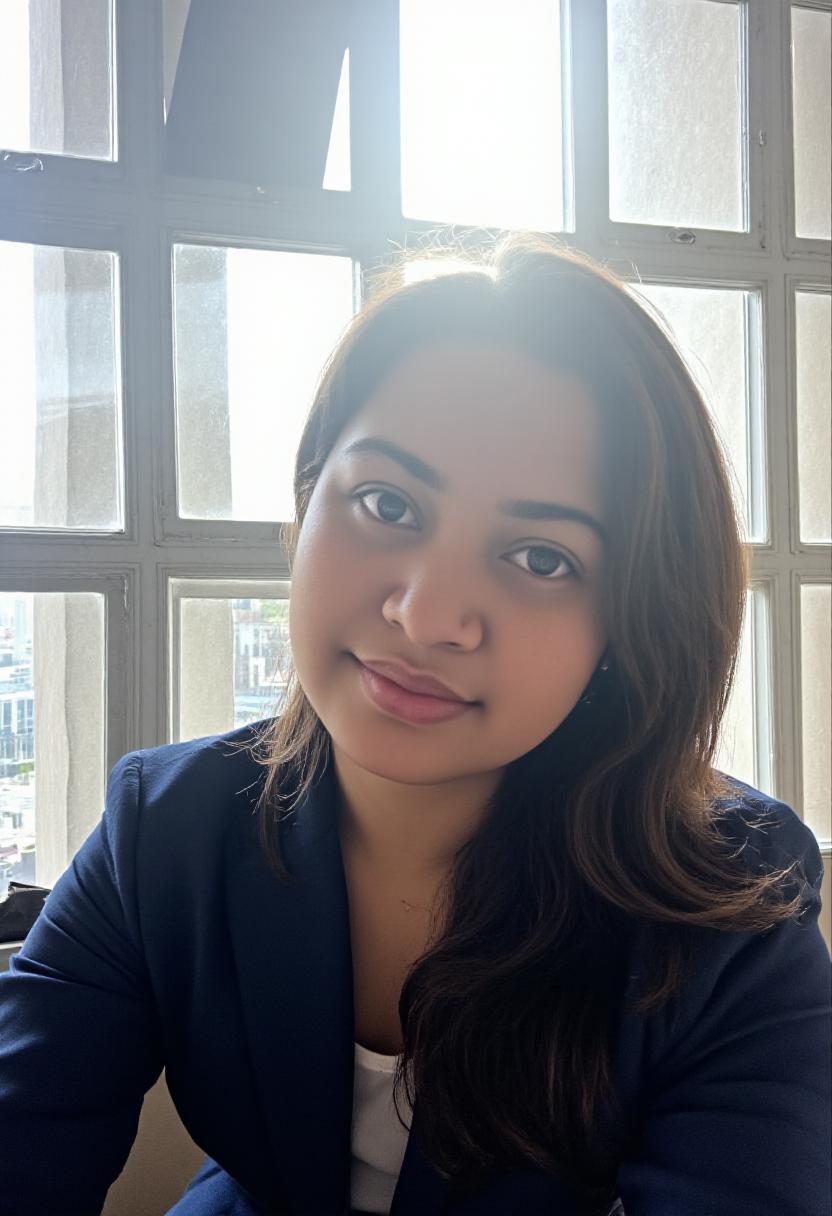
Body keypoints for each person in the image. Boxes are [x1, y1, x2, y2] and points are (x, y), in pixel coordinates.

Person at [0, 234, 829, 1216]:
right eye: (386, 501)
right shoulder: (166, 829)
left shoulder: (727, 898)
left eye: (540, 557)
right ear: (307, 501)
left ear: (625, 620)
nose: (428, 614)